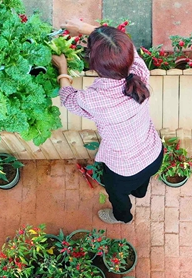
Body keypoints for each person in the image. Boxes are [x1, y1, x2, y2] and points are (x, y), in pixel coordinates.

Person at [52, 19, 163, 225]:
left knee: (117, 196)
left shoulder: (93, 100)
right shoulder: (139, 72)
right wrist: (93, 31)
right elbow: (125, 48)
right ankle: (140, 193)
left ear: (97, 68)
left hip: (124, 169)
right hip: (154, 153)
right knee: (140, 183)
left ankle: (123, 217)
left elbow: (68, 98)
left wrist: (63, 70)